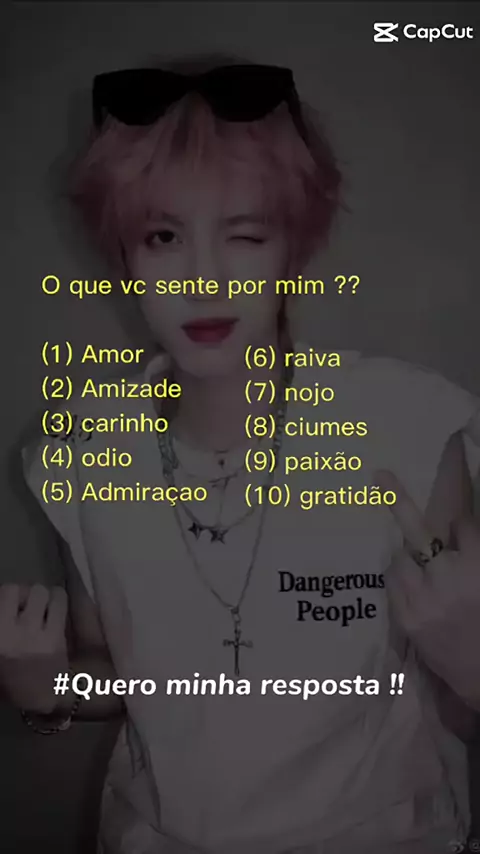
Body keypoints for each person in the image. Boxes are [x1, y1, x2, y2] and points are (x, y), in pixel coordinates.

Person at [1, 59, 480, 854]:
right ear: (123, 255)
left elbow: (459, 700)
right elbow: (117, 676)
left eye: (245, 235)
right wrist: (45, 689)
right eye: (163, 238)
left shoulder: (408, 425)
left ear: (294, 246)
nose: (204, 279)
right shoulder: (84, 450)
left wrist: (473, 662)